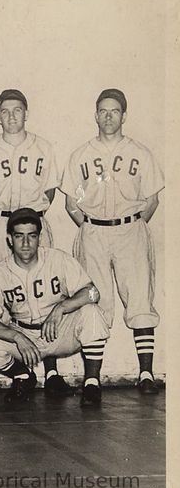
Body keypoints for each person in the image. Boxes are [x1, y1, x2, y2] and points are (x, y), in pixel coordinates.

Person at [0, 89, 71, 398]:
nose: (11, 116)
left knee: (46, 293)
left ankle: (51, 370)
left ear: (26, 113)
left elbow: (50, 191)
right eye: (5, 111)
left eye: (17, 110)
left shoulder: (43, 147)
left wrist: (32, 218)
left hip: (33, 221)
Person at [61, 88, 164, 395]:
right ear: (96, 115)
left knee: (140, 300)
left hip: (130, 229)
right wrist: (92, 227)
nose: (108, 117)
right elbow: (70, 204)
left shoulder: (140, 152)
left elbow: (152, 199)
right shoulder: (81, 154)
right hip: (92, 231)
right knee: (95, 300)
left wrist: (131, 226)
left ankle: (145, 374)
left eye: (114, 111)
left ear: (124, 116)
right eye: (103, 111)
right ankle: (92, 378)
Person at [0, 208, 110, 407]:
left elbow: (93, 293)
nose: (26, 243)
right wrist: (17, 337)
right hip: (24, 333)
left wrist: (62, 307)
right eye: (19, 236)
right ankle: (23, 375)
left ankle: (91, 383)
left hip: (58, 331)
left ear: (39, 238)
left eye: (32, 236)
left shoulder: (58, 259)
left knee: (92, 313)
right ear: (10, 239)